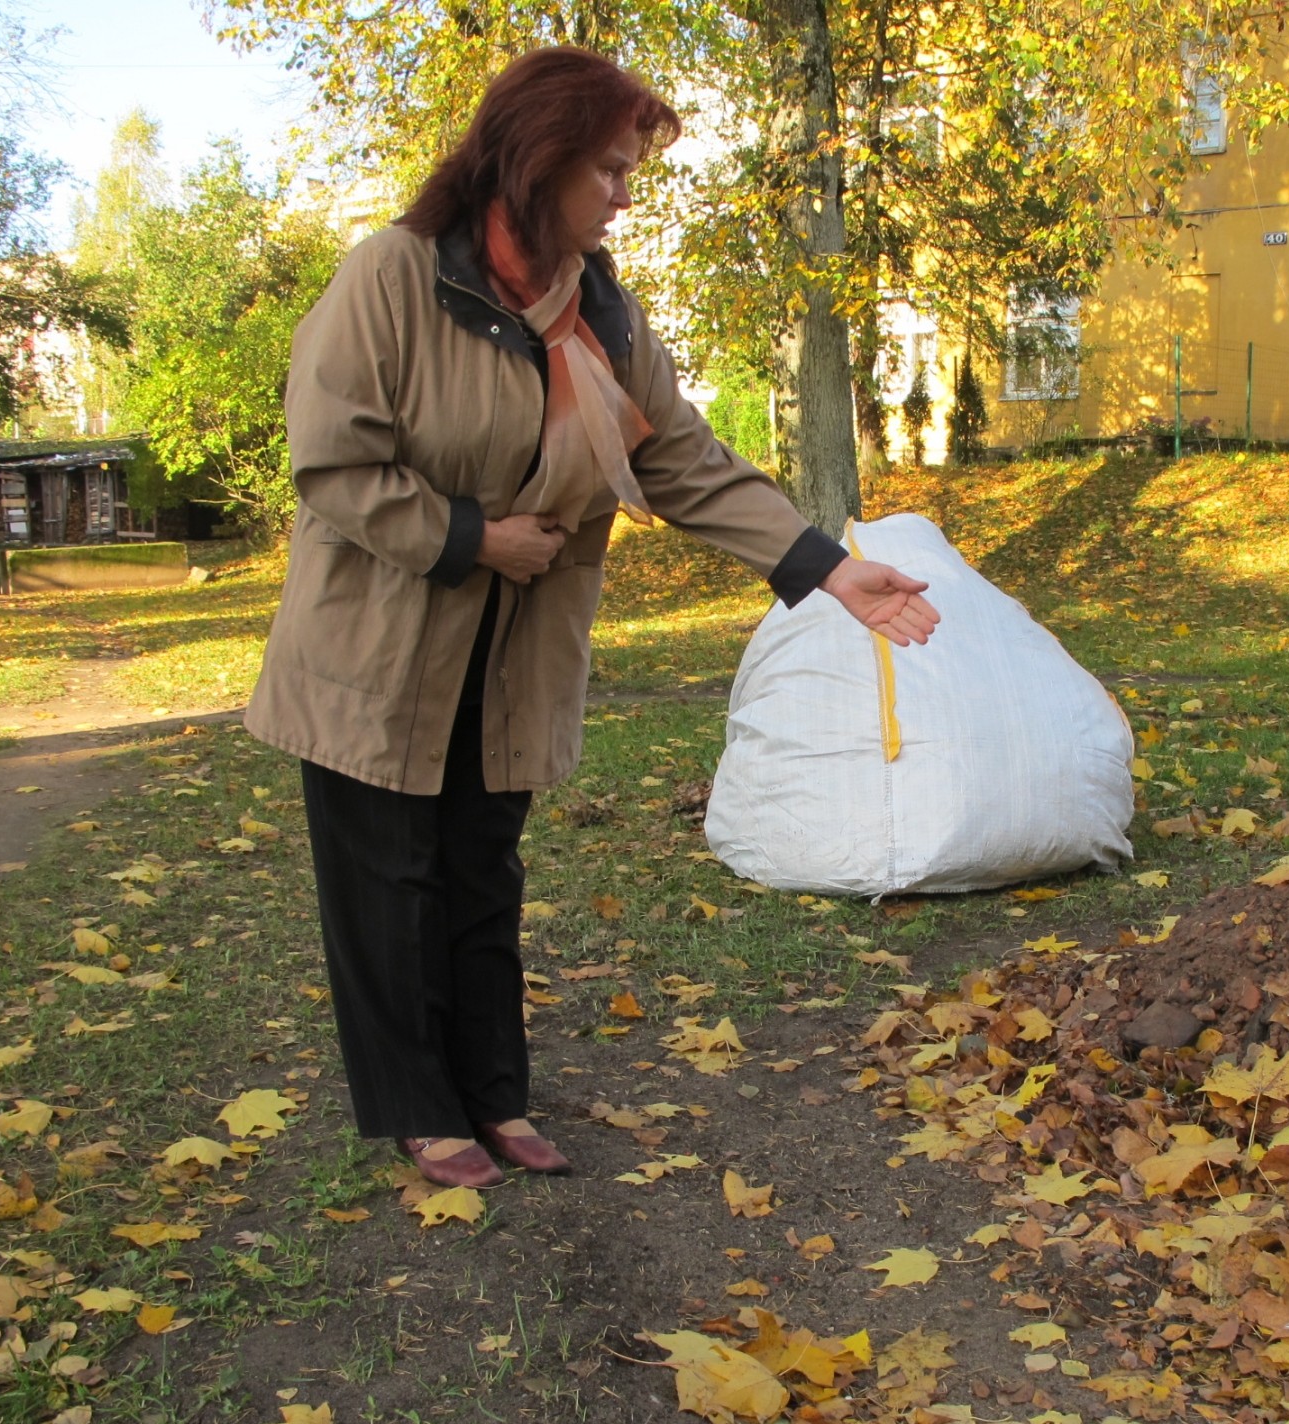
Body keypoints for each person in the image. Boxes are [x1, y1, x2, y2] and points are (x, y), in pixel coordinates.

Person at [245, 47, 939, 1190]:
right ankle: (422, 1110)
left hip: (508, 659)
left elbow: (681, 461)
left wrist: (825, 568)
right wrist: (473, 538)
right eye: (610, 169)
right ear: (538, 160)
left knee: (482, 876)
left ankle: (496, 1098)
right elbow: (331, 461)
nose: (624, 193)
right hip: (372, 652)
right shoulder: (394, 279)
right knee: (389, 888)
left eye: (630, 169)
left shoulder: (599, 312)